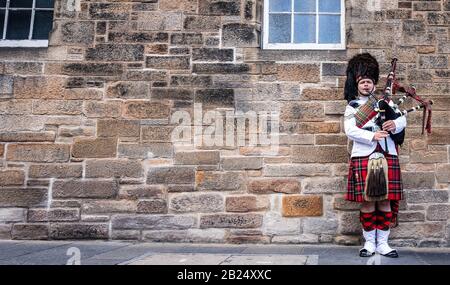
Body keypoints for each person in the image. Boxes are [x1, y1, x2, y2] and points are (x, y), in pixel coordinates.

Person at [343, 53, 407, 258]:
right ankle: (369, 243)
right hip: (364, 155)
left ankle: (383, 244)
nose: (366, 85)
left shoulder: (385, 102)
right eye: (362, 82)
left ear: (373, 83)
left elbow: (402, 120)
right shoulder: (353, 107)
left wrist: (394, 124)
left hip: (387, 155)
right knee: (368, 201)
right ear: (357, 84)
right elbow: (350, 130)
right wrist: (372, 136)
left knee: (386, 200)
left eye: (369, 82)